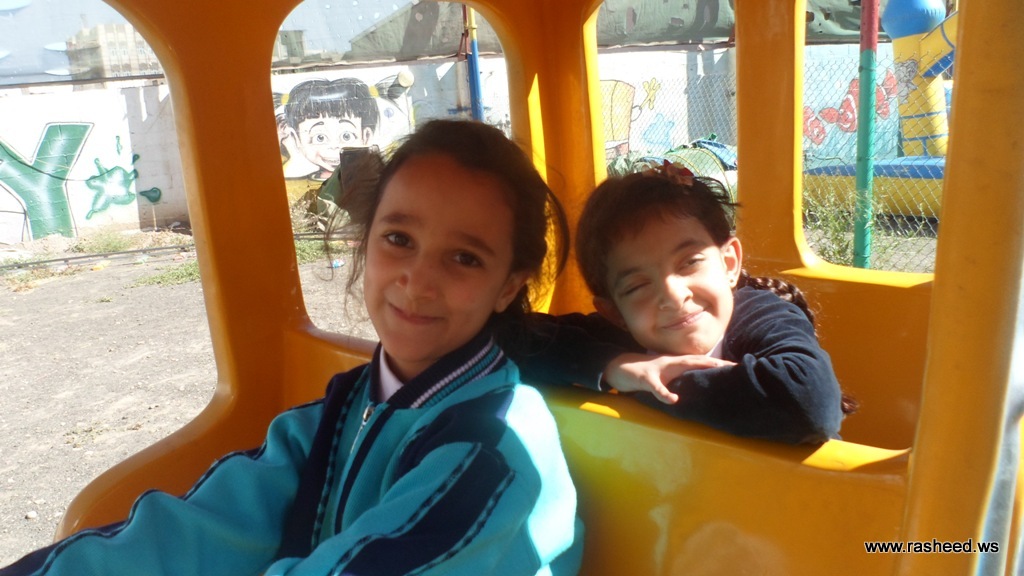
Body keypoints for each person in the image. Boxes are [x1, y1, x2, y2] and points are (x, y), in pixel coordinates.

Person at [0, 120, 583, 576]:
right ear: (366, 242)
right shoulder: (342, 411)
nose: (418, 280)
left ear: (509, 286)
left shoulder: (491, 452)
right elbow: (197, 531)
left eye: (464, 258)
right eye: (398, 239)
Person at [517, 162, 850, 444]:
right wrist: (616, 367)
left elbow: (809, 401)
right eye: (638, 285)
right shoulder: (622, 336)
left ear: (729, 263)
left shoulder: (764, 314)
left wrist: (655, 385)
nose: (673, 295)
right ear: (614, 313)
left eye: (689, 262)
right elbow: (513, 339)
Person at [281, 78, 380, 181]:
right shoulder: (296, 184)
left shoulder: (374, 182)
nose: (334, 146)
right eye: (320, 137)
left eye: (346, 136)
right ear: (296, 138)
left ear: (366, 136)